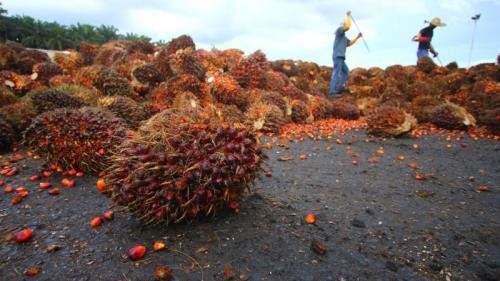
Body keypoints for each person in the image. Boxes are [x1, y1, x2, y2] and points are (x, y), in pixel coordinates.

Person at [329, 11, 362, 97]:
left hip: (341, 57)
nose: (345, 27)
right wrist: (348, 16)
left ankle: (339, 88)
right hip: (337, 56)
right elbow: (347, 27)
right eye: (344, 25)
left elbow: (349, 43)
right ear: (342, 25)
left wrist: (357, 38)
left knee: (346, 72)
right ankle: (332, 92)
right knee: (336, 72)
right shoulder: (339, 31)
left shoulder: (343, 37)